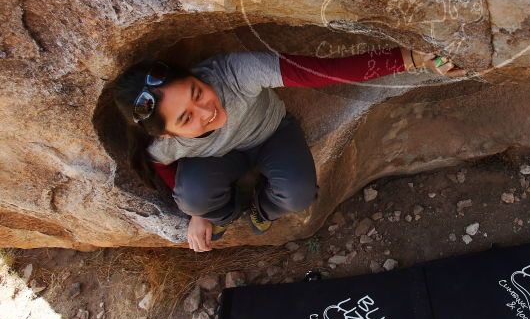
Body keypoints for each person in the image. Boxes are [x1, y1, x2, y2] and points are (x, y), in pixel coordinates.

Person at [110, 46, 464, 252]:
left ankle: (261, 210)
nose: (207, 112)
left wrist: (409, 57)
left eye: (197, 92)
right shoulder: (159, 146)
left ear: (196, 77)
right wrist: (198, 215)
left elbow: (316, 72)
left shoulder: (233, 73)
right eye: (186, 118)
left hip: (270, 132)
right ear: (169, 134)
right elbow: (162, 170)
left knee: (298, 195)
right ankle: (224, 215)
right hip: (214, 160)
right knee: (192, 197)